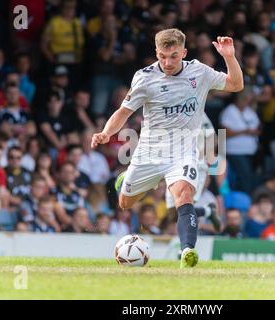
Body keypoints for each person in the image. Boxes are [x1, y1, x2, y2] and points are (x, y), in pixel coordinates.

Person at [91, 28, 243, 268]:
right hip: (150, 151)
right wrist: (106, 133)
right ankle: (130, 181)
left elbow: (235, 84)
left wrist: (229, 56)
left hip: (184, 151)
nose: (167, 62)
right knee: (125, 203)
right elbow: (123, 112)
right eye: (162, 56)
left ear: (184, 52)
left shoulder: (199, 72)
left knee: (184, 195)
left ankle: (187, 252)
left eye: (173, 56)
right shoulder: (144, 77)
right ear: (156, 52)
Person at [220, 89, 261, 194]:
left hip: (251, 151)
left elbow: (259, 128)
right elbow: (223, 133)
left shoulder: (250, 112)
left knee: (250, 176)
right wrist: (244, 131)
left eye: (249, 100)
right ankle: (245, 199)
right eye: (245, 99)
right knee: (245, 176)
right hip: (235, 151)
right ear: (239, 99)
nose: (247, 102)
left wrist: (255, 132)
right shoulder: (229, 111)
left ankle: (247, 198)